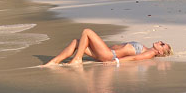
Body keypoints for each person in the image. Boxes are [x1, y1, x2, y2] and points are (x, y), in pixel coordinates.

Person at [43, 28, 172, 66]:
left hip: (109, 55)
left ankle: (77, 59)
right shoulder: (146, 48)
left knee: (87, 31)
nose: (160, 41)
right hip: (106, 53)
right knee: (77, 42)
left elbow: (135, 59)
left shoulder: (150, 53)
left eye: (162, 44)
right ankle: (53, 62)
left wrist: (115, 62)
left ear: (160, 52)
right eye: (162, 41)